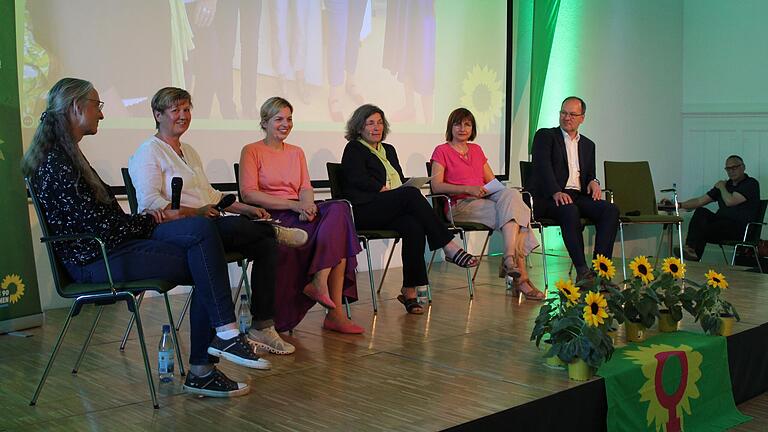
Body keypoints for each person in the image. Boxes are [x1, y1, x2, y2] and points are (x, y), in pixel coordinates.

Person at [22, 78, 266, 398]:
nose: (102, 115)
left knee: (202, 235)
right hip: (96, 261)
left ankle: (217, 346)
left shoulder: (65, 154)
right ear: (76, 108)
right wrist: (151, 219)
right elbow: (100, 228)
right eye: (98, 106)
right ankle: (209, 359)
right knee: (205, 254)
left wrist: (149, 220)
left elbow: (106, 222)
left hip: (111, 249)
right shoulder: (58, 161)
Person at [129, 87, 304, 355]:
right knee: (247, 231)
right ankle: (273, 231)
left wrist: (246, 209)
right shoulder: (148, 152)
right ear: (157, 114)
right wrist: (196, 212)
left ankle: (262, 325)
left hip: (205, 225)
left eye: (187, 109)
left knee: (266, 244)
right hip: (174, 230)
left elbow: (211, 195)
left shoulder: (188, 150)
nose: (183, 115)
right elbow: (151, 204)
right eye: (175, 110)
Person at [239, 97, 364, 334]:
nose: (285, 124)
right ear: (265, 122)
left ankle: (320, 283)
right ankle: (333, 312)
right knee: (337, 236)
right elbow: (249, 194)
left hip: (298, 210)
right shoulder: (252, 150)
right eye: (279, 119)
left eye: (289, 119)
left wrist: (307, 205)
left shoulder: (296, 152)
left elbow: (305, 187)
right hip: (272, 215)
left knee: (339, 209)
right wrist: (294, 206)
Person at [341, 104, 479, 315]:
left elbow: (396, 178)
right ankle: (448, 245)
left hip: (388, 206)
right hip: (364, 210)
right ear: (359, 127)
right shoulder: (354, 148)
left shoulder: (389, 150)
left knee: (413, 225)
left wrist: (406, 185)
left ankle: (410, 291)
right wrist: (381, 188)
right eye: (370, 123)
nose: (376, 127)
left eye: (379, 122)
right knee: (411, 195)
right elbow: (355, 178)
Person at [430, 108, 543, 300]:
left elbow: (492, 182)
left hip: (483, 201)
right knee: (518, 217)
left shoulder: (476, 149)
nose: (462, 128)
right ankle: (520, 278)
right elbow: (436, 185)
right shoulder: (442, 150)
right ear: (451, 126)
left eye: (467, 124)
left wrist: (487, 190)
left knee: (511, 195)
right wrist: (468, 188)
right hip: (460, 206)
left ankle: (509, 259)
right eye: (458, 124)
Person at [526, 96, 619, 282]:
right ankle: (583, 271)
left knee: (610, 210)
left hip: (576, 196)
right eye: (563, 113)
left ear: (582, 118)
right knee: (570, 210)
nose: (567, 118)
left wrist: (593, 180)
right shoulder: (545, 136)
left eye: (572, 114)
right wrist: (556, 191)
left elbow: (589, 174)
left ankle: (600, 270)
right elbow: (542, 167)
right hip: (548, 198)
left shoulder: (588, 145)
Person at [670, 155, 761, 261]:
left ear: (743, 167)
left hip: (740, 229)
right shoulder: (726, 185)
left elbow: (730, 201)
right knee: (701, 212)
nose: (731, 171)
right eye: (728, 169)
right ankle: (691, 250)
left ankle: (693, 254)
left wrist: (721, 187)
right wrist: (677, 205)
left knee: (701, 229)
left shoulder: (750, 183)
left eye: (734, 167)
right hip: (721, 226)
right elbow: (700, 201)